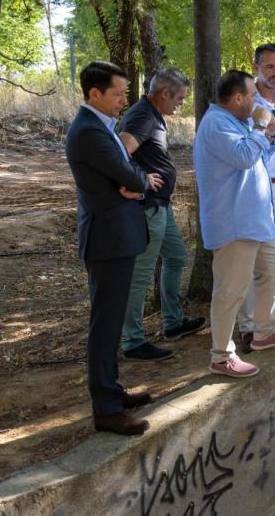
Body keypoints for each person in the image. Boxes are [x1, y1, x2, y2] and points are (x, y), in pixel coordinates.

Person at [66, 61, 162, 435]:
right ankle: (106, 409)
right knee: (105, 325)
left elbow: (128, 175)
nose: (125, 100)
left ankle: (112, 391)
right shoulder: (88, 131)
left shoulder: (100, 126)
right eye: (118, 93)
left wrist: (132, 183)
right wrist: (136, 182)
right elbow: (129, 174)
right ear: (94, 94)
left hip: (116, 234)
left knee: (110, 320)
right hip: (107, 238)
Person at [194, 70, 275, 378]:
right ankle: (221, 355)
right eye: (252, 94)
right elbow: (242, 156)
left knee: (272, 270)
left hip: (255, 219)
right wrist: (259, 125)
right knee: (231, 290)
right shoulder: (215, 124)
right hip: (234, 223)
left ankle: (264, 333)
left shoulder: (237, 122)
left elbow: (257, 158)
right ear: (238, 97)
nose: (256, 100)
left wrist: (267, 135)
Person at [118, 68, 206, 362]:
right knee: (141, 273)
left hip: (161, 206)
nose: (181, 103)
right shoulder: (142, 116)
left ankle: (173, 322)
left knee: (177, 255)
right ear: (164, 93)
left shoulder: (153, 116)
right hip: (148, 207)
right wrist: (134, 185)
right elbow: (119, 154)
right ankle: (132, 340)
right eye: (179, 97)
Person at [238, 43, 275, 347]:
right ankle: (249, 326)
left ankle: (265, 322)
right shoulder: (248, 102)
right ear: (257, 66)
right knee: (255, 257)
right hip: (261, 188)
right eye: (270, 67)